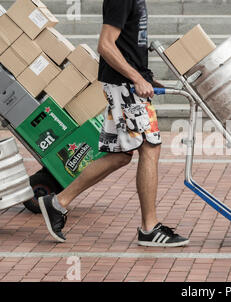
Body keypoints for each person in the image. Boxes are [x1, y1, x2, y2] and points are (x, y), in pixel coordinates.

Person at [38, 0, 189, 248]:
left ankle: (57, 203)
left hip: (126, 85)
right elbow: (105, 45)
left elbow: (128, 44)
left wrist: (147, 78)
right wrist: (136, 78)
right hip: (124, 86)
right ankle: (149, 228)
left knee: (120, 155)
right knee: (150, 147)